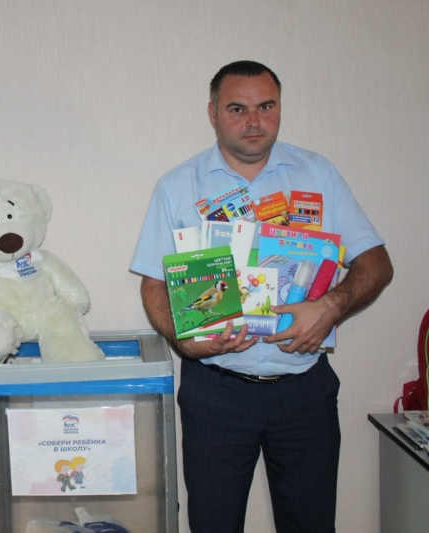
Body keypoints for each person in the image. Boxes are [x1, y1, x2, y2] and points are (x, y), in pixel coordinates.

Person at [130, 60, 393, 533]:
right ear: (213, 113)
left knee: (312, 525)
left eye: (266, 107)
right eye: (238, 109)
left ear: (279, 108)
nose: (254, 121)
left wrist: (330, 307)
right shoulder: (177, 186)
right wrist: (182, 340)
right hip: (216, 390)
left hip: (304, 388)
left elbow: (376, 263)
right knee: (213, 524)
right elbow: (154, 283)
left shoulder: (318, 173)